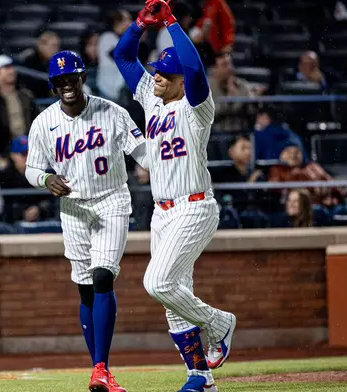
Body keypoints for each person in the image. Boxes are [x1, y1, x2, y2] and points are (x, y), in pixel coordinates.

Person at [114, 1, 237, 391]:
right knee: (173, 303)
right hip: (163, 213)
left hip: (195, 206)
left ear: (182, 79)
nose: (158, 78)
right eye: (156, 72)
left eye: (167, 74)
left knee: (157, 283)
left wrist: (170, 23)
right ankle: (200, 376)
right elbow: (123, 56)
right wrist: (139, 25)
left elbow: (196, 67)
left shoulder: (196, 106)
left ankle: (220, 323)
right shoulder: (151, 98)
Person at [25, 50, 148, 392]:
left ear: (83, 78)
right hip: (73, 209)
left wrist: (169, 152)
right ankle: (100, 371)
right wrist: (44, 179)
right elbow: (31, 168)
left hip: (111, 200)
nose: (67, 85)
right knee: (85, 289)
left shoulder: (112, 112)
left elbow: (144, 154)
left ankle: (101, 367)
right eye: (60, 81)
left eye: (72, 78)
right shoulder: (43, 123)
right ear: (53, 86)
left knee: (102, 276)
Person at [0, 54, 37, 166]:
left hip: (29, 149)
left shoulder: (26, 96)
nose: (11, 71)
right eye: (6, 68)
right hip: (3, 153)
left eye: (11, 67)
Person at [0, 136, 52, 224]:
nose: (28, 158)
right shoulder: (4, 177)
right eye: (23, 154)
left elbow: (49, 201)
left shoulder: (42, 173)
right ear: (13, 155)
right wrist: (22, 212)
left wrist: (38, 209)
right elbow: (4, 206)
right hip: (13, 224)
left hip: (41, 220)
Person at [209, 52, 263, 132]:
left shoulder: (241, 85)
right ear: (214, 69)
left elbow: (252, 112)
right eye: (224, 65)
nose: (229, 68)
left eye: (230, 64)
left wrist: (255, 101)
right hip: (216, 137)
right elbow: (210, 115)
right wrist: (228, 101)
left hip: (241, 133)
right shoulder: (207, 88)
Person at [97, 10, 133, 101]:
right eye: (127, 20)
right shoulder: (107, 37)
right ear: (117, 22)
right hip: (107, 85)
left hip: (118, 86)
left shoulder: (120, 38)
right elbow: (119, 55)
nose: (130, 23)